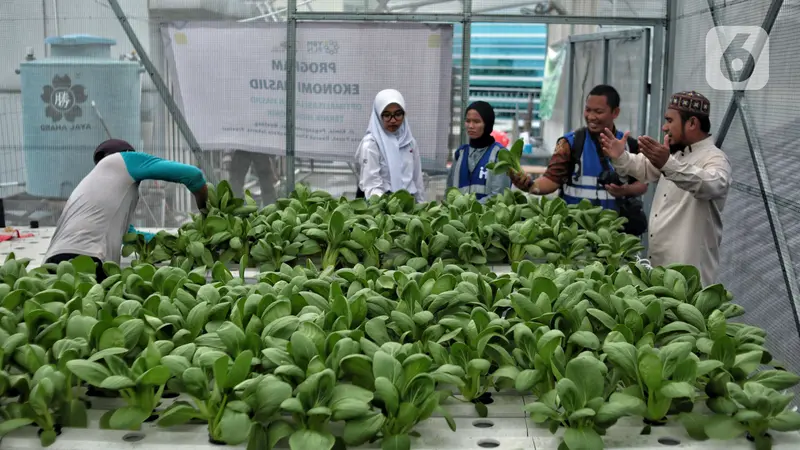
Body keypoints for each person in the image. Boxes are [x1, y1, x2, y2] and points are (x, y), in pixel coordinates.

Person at [599, 90, 731, 286]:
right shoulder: (676, 154)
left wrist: (668, 164)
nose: (664, 127)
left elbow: (712, 184)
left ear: (692, 123)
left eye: (670, 120)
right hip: (659, 271)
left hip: (690, 280)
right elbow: (643, 167)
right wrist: (621, 156)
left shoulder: (715, 158)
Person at [43, 139, 208, 281]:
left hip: (51, 263)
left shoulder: (90, 190)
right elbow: (193, 175)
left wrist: (176, 242)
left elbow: (131, 236)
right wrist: (206, 213)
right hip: (89, 259)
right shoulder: (124, 159)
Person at [507, 84, 649, 236]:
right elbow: (551, 180)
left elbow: (642, 184)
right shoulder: (569, 143)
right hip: (575, 234)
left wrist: (625, 190)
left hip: (616, 234)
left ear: (615, 112)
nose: (591, 116)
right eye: (588, 110)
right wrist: (531, 185)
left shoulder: (630, 145)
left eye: (598, 111)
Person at [354, 89, 425, 202]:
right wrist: (388, 208)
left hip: (407, 204)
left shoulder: (410, 142)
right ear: (378, 115)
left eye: (398, 114)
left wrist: (421, 204)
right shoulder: (371, 144)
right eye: (386, 115)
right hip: (380, 205)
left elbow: (417, 180)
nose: (393, 120)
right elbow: (371, 184)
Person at [446, 101, 511, 202]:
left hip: (488, 216)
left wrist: (472, 208)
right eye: (468, 121)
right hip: (458, 217)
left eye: (476, 122)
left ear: (487, 124)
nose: (471, 126)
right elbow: (449, 192)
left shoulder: (499, 154)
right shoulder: (460, 154)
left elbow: (499, 196)